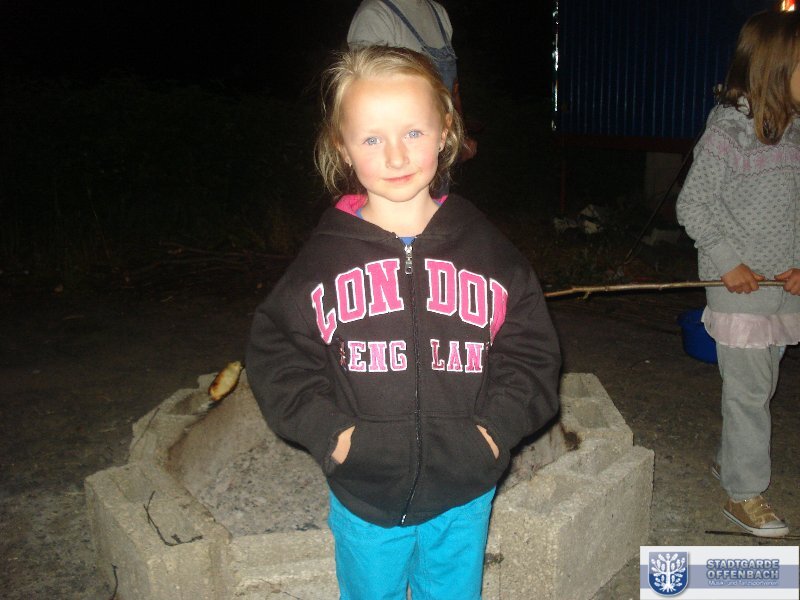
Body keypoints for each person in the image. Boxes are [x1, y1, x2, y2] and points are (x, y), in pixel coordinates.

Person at [246, 46, 561, 598]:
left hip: (465, 490)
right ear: (342, 147)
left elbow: (531, 351)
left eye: (413, 132)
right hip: (365, 491)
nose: (395, 155)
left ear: (446, 131)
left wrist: (493, 432)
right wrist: (333, 436)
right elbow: (277, 355)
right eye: (372, 139)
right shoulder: (322, 261)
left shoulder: (489, 252)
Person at [676, 9, 800, 539]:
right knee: (748, 394)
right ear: (775, 68)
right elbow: (693, 204)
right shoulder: (730, 132)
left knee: (761, 386)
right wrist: (727, 262)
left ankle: (732, 461)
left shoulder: (795, 132)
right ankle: (744, 493)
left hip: (783, 291)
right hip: (740, 288)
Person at [348, 0, 478, 161]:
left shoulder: (438, 12)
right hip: (402, 154)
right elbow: (364, 103)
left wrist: (460, 135)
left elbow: (452, 89)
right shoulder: (375, 15)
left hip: (441, 144)